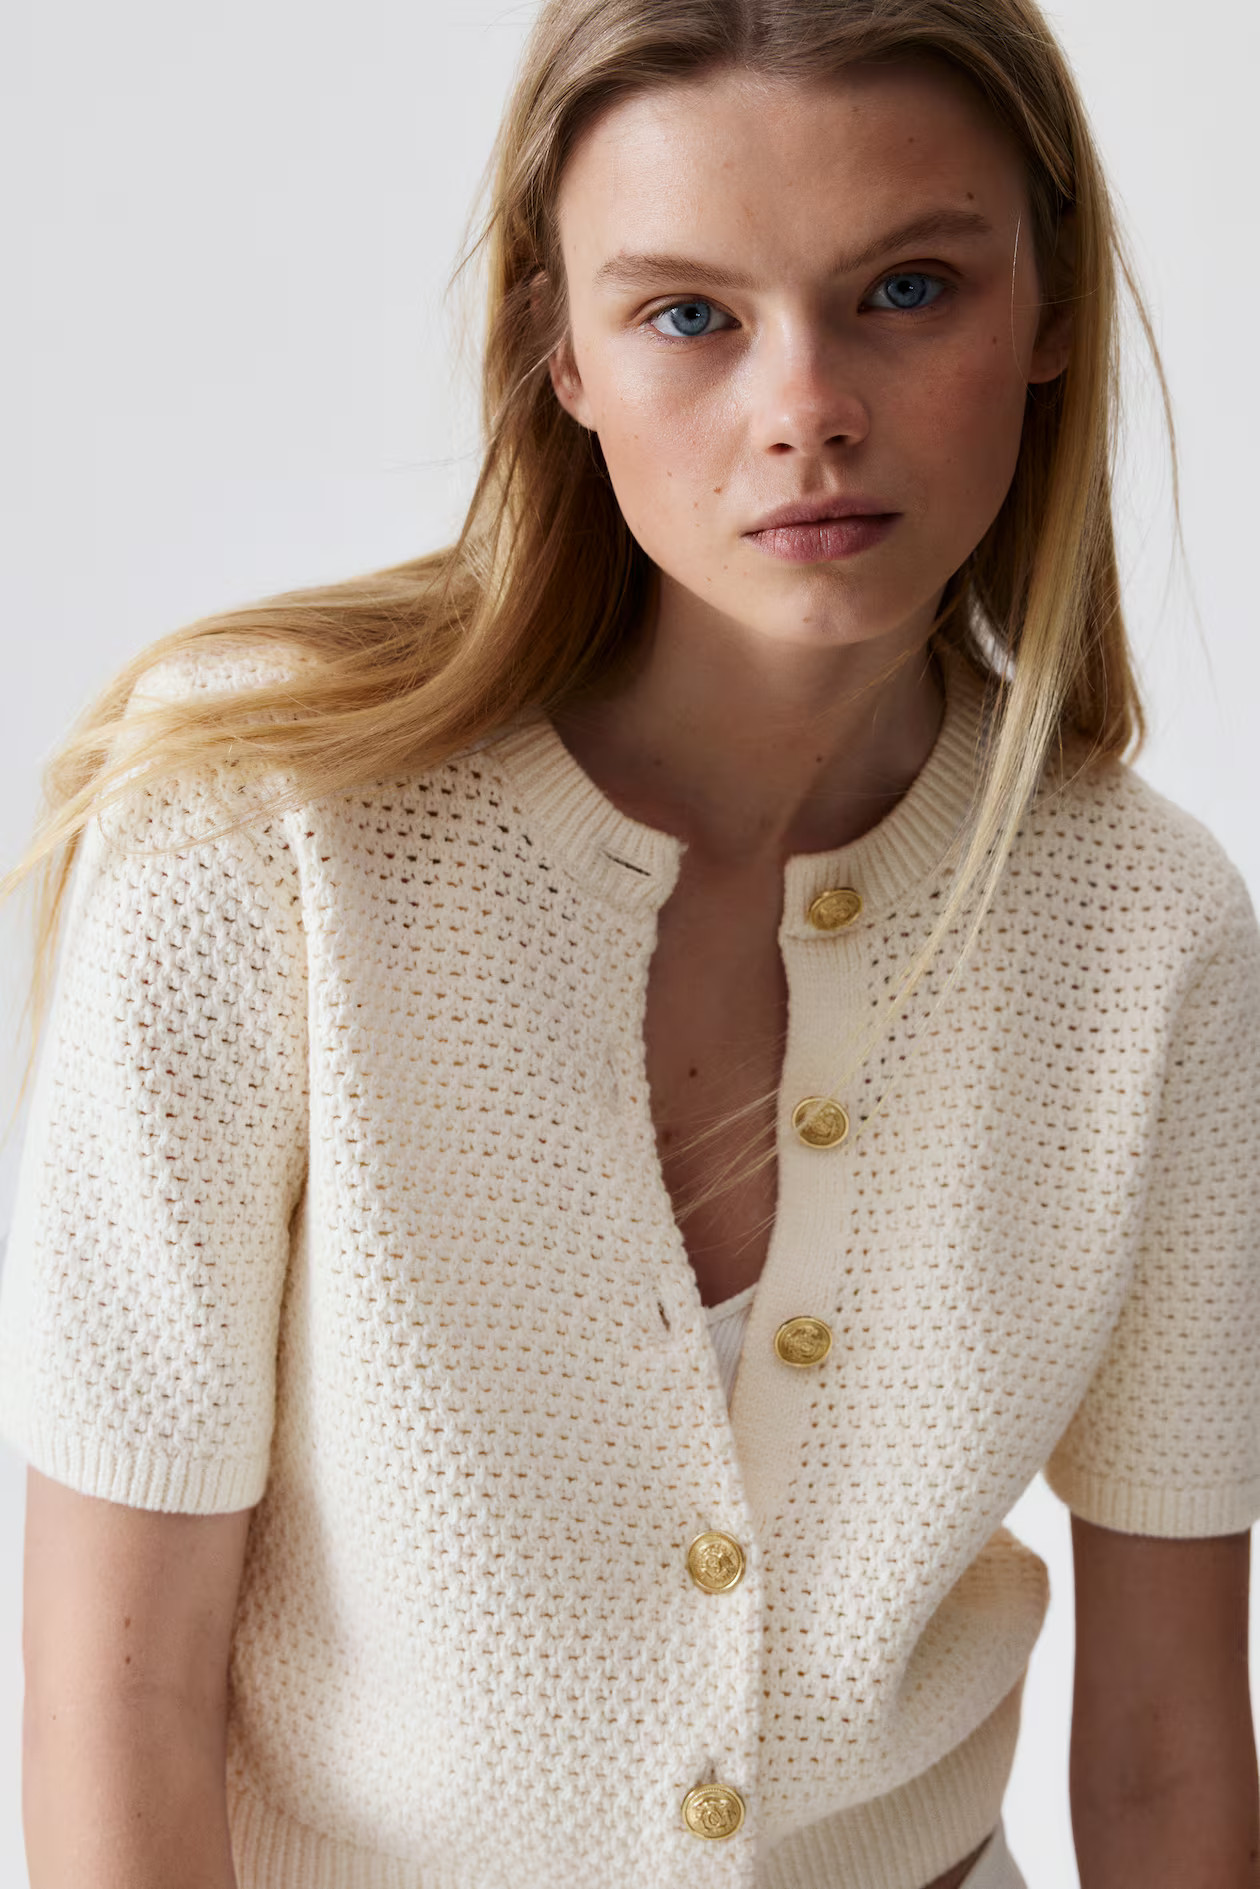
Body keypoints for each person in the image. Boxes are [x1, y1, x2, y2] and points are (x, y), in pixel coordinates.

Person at [2, 1, 1258, 1886]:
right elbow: (119, 1702)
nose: (806, 406)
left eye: (908, 289)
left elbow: (1166, 1749)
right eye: (689, 314)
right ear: (560, 348)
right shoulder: (257, 834)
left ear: (1049, 311)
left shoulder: (1149, 934)